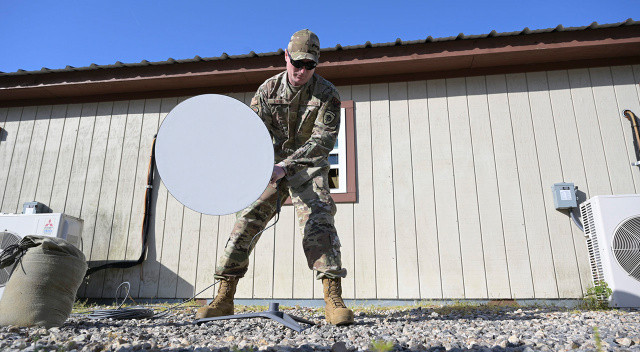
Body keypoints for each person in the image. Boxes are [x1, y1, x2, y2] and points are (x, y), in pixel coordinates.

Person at [195, 29, 354, 325]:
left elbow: (322, 142)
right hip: (269, 169)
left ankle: (333, 298)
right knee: (247, 219)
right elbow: (250, 135)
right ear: (286, 57)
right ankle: (223, 297)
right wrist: (258, 166)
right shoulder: (267, 91)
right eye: (297, 63)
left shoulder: (327, 94)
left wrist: (287, 166)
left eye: (310, 66)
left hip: (307, 169)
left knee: (320, 220)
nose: (302, 71)